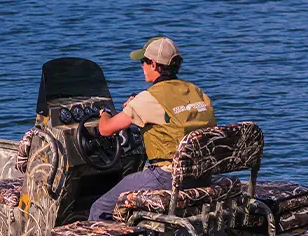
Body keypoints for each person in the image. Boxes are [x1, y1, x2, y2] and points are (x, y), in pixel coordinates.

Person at [88, 36, 216, 221]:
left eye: (143, 62)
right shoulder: (196, 91)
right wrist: (135, 105)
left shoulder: (148, 98)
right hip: (202, 174)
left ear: (154, 64)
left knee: (100, 208)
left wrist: (103, 113)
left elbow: (106, 129)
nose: (142, 66)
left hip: (168, 177)